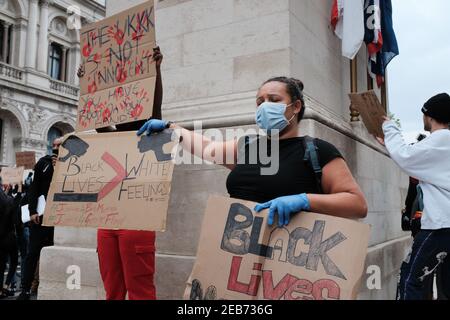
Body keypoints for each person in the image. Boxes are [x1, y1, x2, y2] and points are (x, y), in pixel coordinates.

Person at [138, 76, 368, 228]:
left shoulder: (319, 150)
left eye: (274, 99)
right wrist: (171, 128)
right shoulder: (248, 146)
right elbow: (208, 147)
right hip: (237, 258)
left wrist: (303, 200)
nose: (264, 105)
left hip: (290, 267)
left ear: (296, 107)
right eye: (260, 101)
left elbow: (357, 204)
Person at [77, 47, 164, 300]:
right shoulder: (111, 137)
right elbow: (95, 117)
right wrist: (87, 85)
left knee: (140, 291)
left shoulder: (150, 135)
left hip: (137, 222)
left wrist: (156, 72)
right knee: (112, 290)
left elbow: (156, 108)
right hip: (107, 222)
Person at [377, 92, 450, 300]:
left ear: (429, 115)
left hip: (439, 226)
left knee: (412, 281)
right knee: (445, 285)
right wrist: (390, 146)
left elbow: (407, 158)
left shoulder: (441, 138)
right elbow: (416, 159)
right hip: (446, 225)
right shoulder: (443, 142)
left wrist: (391, 128)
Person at [17, 138, 63, 300]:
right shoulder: (43, 163)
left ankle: (49, 284)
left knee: (53, 252)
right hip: (40, 216)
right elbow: (34, 188)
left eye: (60, 145)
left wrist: (60, 169)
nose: (56, 148)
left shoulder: (68, 164)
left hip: (59, 217)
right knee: (32, 253)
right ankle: (25, 289)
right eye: (54, 145)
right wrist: (32, 211)